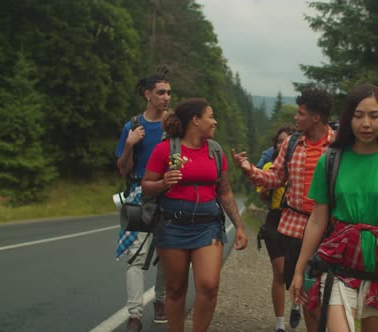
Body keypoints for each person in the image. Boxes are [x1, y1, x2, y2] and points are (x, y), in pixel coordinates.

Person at [289, 84, 378, 332]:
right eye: (358, 115)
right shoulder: (330, 161)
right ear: (347, 117)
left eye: (374, 116)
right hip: (338, 263)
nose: (366, 124)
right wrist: (299, 270)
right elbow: (317, 220)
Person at [231, 88, 335, 332]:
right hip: (296, 231)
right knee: (307, 299)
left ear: (316, 117)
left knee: (331, 299)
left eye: (301, 113)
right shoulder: (291, 143)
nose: (296, 118)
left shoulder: (339, 146)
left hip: (332, 233)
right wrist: (249, 170)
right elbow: (276, 177)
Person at [141, 98, 248, 332]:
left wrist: (239, 226)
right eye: (210, 116)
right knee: (176, 289)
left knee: (209, 286)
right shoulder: (165, 149)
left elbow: (226, 192)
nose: (215, 121)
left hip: (208, 225)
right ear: (195, 121)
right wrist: (162, 183)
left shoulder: (216, 151)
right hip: (172, 225)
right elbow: (146, 186)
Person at [115, 72, 171, 332]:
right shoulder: (133, 125)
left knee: (166, 254)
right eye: (161, 92)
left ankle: (160, 302)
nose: (166, 97)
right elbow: (123, 170)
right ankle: (135, 315)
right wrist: (129, 145)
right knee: (135, 256)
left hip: (169, 194)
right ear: (147, 94)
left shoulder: (173, 126)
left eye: (169, 93)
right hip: (139, 193)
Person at [256, 126, 295, 332]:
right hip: (275, 219)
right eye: (279, 141)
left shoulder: (302, 164)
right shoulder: (270, 165)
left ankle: (296, 304)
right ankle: (280, 324)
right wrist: (266, 188)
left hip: (297, 220)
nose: (282, 145)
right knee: (279, 272)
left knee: (297, 271)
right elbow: (262, 196)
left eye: (286, 141)